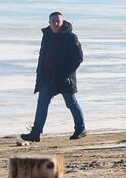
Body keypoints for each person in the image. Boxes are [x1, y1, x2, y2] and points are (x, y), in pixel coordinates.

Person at [21, 11, 85, 142]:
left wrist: (66, 75)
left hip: (65, 79)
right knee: (42, 104)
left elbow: (78, 58)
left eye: (58, 21)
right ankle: (36, 133)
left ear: (62, 22)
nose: (55, 23)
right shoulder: (47, 36)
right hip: (47, 78)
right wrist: (40, 72)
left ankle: (80, 129)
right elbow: (42, 56)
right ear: (49, 23)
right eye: (53, 21)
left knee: (71, 104)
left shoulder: (71, 37)